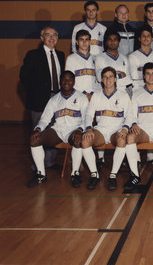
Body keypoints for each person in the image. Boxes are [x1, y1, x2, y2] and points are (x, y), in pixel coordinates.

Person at [27, 71, 89, 188]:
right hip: (58, 130)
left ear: (74, 82)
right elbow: (45, 118)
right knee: (34, 139)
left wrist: (80, 129)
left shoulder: (82, 97)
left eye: (70, 79)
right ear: (60, 82)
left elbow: (87, 118)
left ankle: (74, 174)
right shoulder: (54, 99)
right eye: (64, 79)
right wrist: (38, 128)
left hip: (74, 130)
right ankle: (41, 174)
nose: (67, 82)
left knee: (78, 140)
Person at [20, 26, 65, 169]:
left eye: (54, 35)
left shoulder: (61, 55)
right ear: (42, 38)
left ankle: (50, 162)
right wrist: (35, 94)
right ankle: (37, 166)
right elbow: (24, 77)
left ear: (57, 38)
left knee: (54, 130)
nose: (51, 38)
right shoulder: (33, 55)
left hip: (57, 99)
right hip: (39, 101)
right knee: (38, 133)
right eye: (48, 35)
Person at [81, 67, 134, 191]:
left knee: (122, 140)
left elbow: (130, 116)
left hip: (116, 130)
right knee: (85, 141)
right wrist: (89, 128)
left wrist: (125, 129)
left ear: (115, 79)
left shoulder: (123, 95)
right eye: (105, 77)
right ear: (101, 80)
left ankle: (112, 175)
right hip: (101, 130)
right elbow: (89, 114)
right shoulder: (96, 96)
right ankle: (94, 174)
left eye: (111, 77)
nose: (108, 79)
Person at [95, 29, 133, 94]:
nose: (113, 42)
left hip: (122, 92)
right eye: (110, 40)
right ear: (106, 42)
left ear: (119, 42)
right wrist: (120, 75)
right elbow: (99, 78)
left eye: (115, 40)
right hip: (106, 93)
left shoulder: (124, 58)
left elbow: (129, 79)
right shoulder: (100, 57)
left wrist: (109, 76)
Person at [65, 29, 98, 99]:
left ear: (90, 42)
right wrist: (85, 93)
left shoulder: (96, 58)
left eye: (86, 39)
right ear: (77, 42)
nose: (84, 42)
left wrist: (92, 93)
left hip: (94, 96)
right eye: (81, 40)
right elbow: (69, 80)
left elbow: (98, 80)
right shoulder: (71, 59)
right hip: (77, 95)